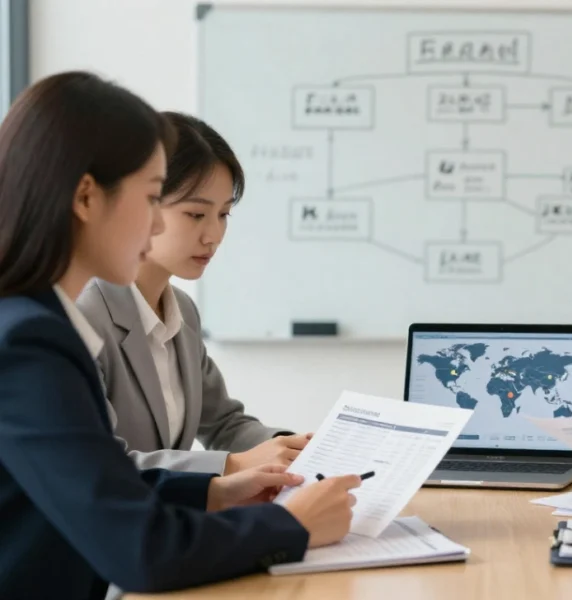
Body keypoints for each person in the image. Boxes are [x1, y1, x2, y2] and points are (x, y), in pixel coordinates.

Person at [0, 71, 358, 599]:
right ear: (85, 198)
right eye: (151, 199)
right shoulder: (28, 344)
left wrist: (215, 491)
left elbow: (96, 485)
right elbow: (139, 548)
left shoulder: (36, 323)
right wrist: (294, 527)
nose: (156, 227)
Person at [78, 112, 304, 475]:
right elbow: (99, 464)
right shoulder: (84, 314)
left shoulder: (182, 312)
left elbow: (225, 424)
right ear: (143, 204)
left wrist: (296, 447)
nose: (212, 235)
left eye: (224, 214)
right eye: (196, 214)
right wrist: (232, 466)